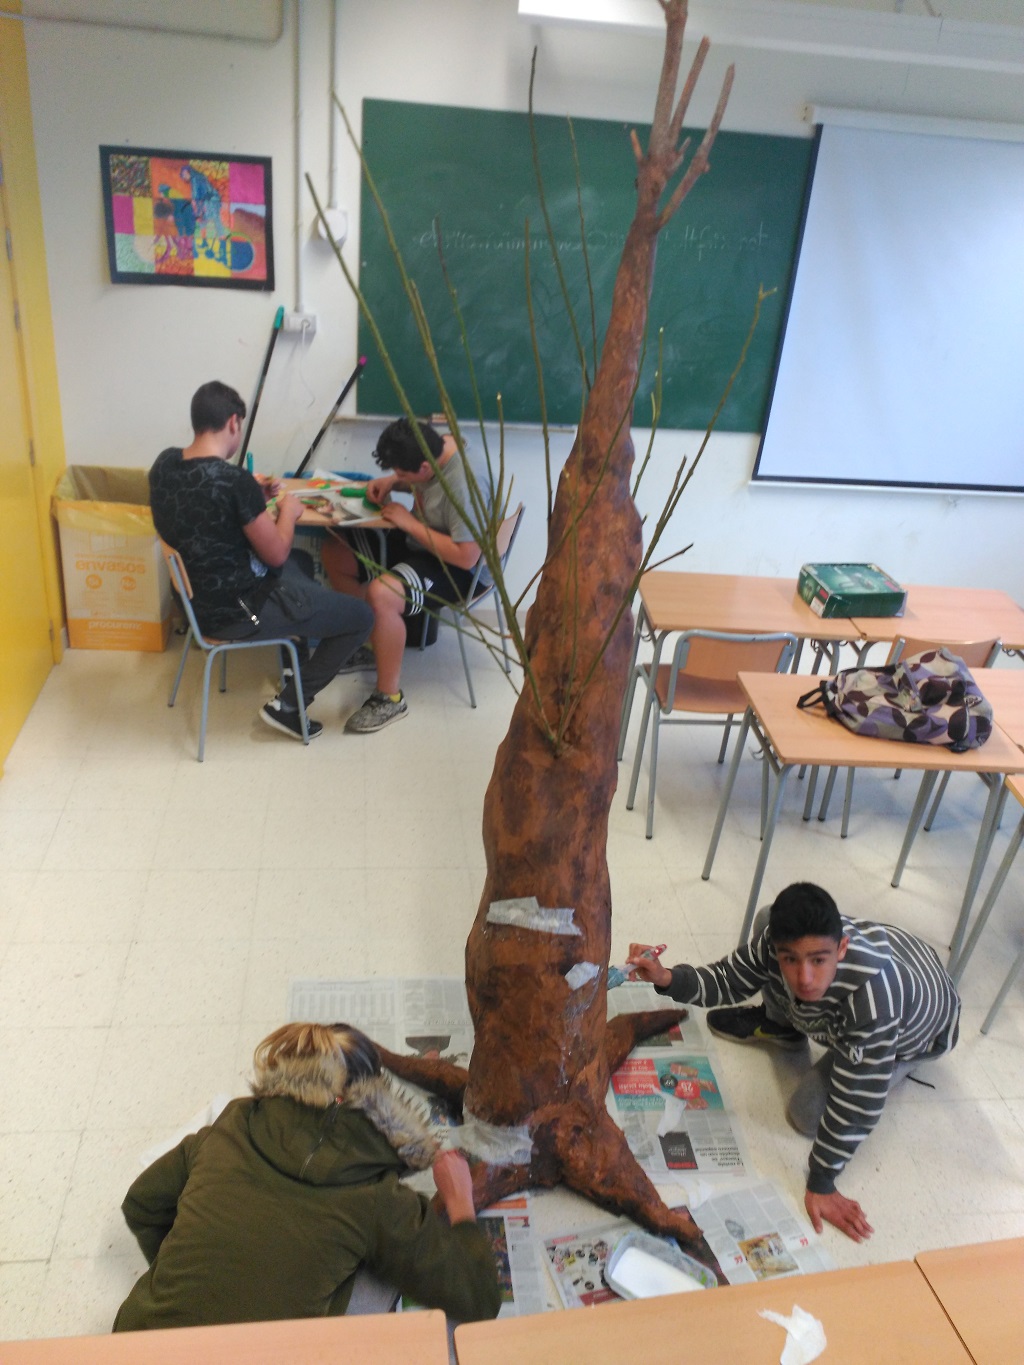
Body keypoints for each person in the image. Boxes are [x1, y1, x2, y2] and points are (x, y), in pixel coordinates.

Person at [627, 882, 960, 1243]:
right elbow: (729, 979)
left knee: (807, 1113)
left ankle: (894, 1062)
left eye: (818, 960)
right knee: (767, 918)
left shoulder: (874, 1004)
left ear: (841, 948)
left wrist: (822, 1183)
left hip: (919, 1027)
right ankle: (783, 1025)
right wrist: (667, 978)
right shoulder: (782, 945)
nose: (804, 978)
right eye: (789, 959)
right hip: (906, 958)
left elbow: (858, 1105)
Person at [113, 1022, 501, 1330]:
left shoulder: (229, 1126)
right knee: (379, 1281)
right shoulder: (377, 1197)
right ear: (372, 1101)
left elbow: (141, 1204)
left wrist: (194, 1269)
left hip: (139, 1343)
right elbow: (479, 1300)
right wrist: (460, 1203)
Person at [150, 381, 373, 741]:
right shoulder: (233, 481)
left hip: (194, 604)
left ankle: (293, 658)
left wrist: (252, 497)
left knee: (300, 561)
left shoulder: (165, 464)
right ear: (234, 423)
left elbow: (207, 509)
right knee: (361, 616)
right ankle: (289, 705)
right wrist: (288, 512)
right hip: (237, 613)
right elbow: (276, 553)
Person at [321, 418, 491, 734]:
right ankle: (367, 643)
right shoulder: (439, 446)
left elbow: (467, 555)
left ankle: (390, 698)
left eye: (403, 473)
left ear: (424, 467)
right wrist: (392, 483)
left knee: (382, 595)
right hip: (426, 542)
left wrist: (408, 523)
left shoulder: (464, 483)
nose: (400, 478)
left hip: (461, 569)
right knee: (336, 552)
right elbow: (421, 481)